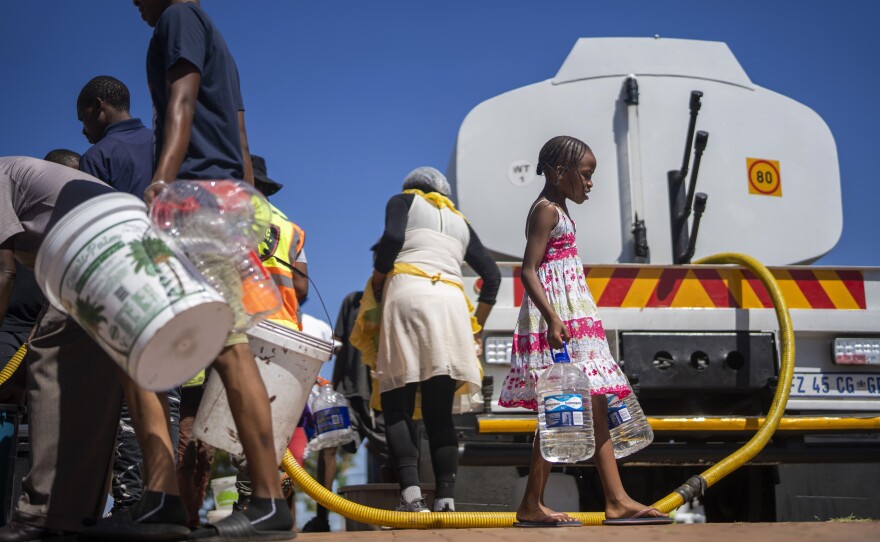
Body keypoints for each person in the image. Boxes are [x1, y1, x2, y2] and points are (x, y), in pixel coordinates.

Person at [85, 1, 293, 540]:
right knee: (218, 341)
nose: (134, 2)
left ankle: (172, 500)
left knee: (168, 342)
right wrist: (248, 205)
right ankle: (248, 502)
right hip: (219, 198)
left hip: (193, 198)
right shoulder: (215, 35)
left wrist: (161, 182)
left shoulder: (178, 17)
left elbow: (182, 96)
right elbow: (241, 136)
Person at [498, 135, 672, 527]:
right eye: (586, 174)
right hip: (558, 318)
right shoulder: (545, 212)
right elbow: (528, 270)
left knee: (589, 402)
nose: (591, 183)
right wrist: (553, 319)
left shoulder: (561, 210)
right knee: (566, 402)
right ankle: (586, 500)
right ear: (560, 173)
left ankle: (611, 499)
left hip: (574, 316)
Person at [0, 156, 124, 542]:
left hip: (96, 250)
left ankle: (39, 515)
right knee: (94, 393)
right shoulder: (20, 176)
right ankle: (76, 516)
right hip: (132, 250)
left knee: (51, 369)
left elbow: (4, 273)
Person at [75, 74, 182, 516]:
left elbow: (89, 238)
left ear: (99, 107)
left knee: (125, 401)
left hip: (124, 291)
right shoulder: (166, 145)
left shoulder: (98, 156)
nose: (82, 129)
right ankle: (165, 500)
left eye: (83, 118)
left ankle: (130, 505)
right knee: (167, 397)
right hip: (174, 285)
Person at [366, 166, 501, 513]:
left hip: (409, 295)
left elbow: (393, 240)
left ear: (412, 187)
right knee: (439, 413)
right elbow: (492, 275)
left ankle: (411, 497)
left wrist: (380, 278)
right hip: (453, 306)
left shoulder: (403, 200)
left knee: (397, 405)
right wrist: (477, 326)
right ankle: (445, 500)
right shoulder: (459, 220)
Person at [301, 289, 394, 533]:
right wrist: (331, 390)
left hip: (382, 396)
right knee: (327, 447)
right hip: (348, 394)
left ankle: (396, 518)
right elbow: (338, 342)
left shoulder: (396, 299)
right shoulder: (352, 300)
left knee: (393, 458)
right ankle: (322, 518)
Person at [76, 75, 153, 198]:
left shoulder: (96, 158)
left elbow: (95, 214)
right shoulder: (165, 140)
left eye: (82, 118)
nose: (83, 131)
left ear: (97, 105)